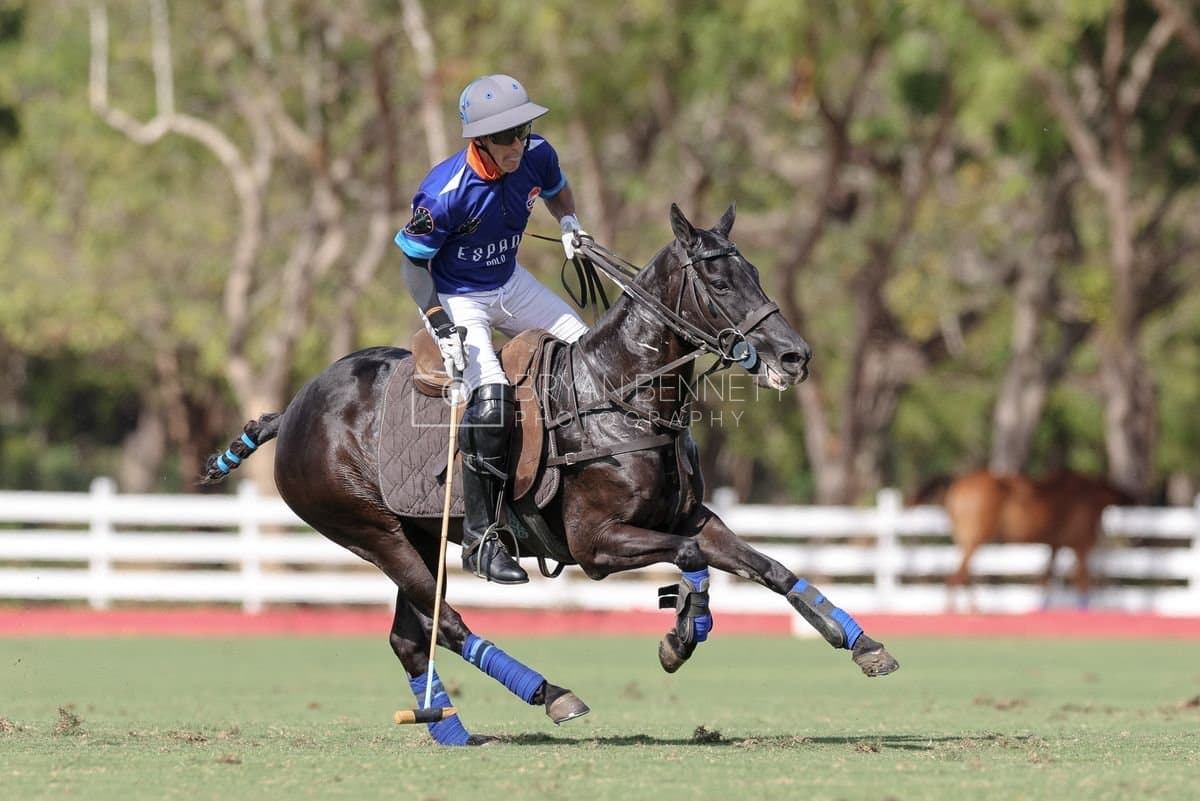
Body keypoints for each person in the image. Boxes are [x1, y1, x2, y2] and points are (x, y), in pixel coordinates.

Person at [394, 74, 590, 585]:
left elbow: (558, 191)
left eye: (522, 131)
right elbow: (414, 265)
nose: (517, 145)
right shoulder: (442, 194)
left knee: (589, 354)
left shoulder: (536, 155)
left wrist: (570, 223)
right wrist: (440, 325)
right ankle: (483, 538)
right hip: (460, 297)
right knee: (492, 397)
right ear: (478, 140)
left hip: (511, 282)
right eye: (506, 137)